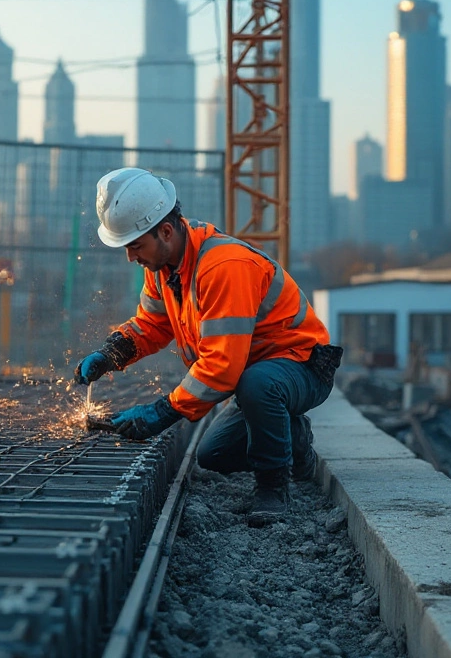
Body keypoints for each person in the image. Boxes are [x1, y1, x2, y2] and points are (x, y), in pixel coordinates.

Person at [74, 168, 342, 526]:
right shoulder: (162, 267)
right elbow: (153, 324)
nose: (130, 257)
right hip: (256, 377)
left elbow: (222, 366)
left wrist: (163, 411)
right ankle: (295, 439)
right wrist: (110, 353)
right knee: (212, 453)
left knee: (258, 385)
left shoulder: (224, 267)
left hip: (302, 367)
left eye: (135, 246)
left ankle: (273, 489)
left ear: (165, 231)